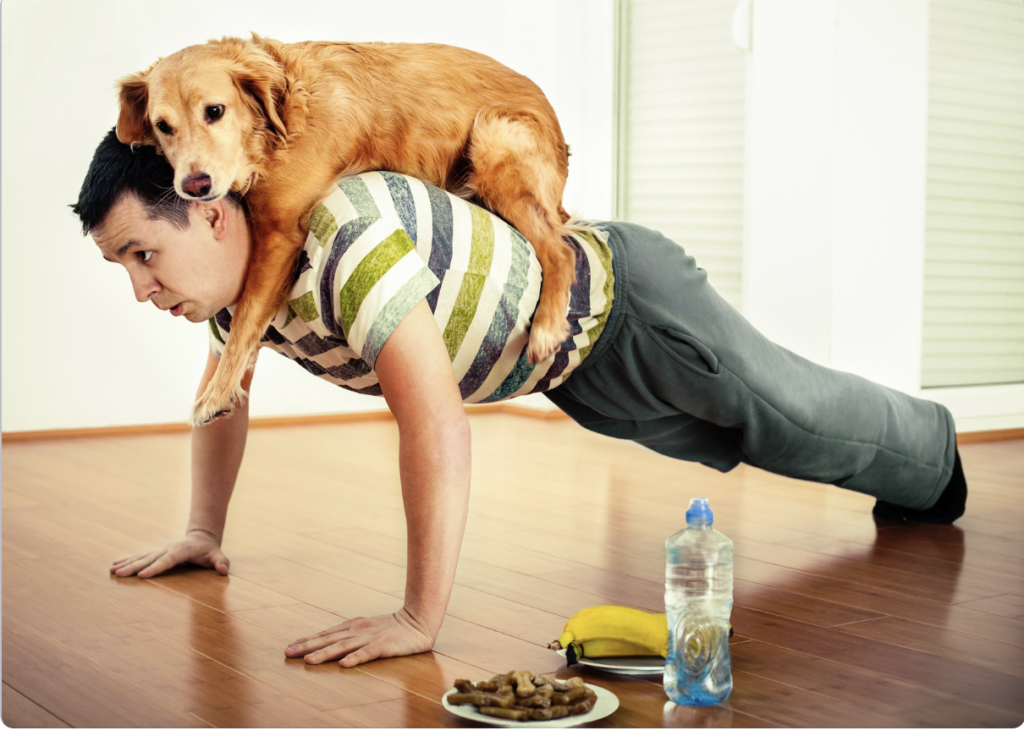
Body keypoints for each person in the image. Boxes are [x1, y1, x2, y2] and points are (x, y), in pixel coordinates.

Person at [72, 128, 967, 668]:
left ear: (214, 206)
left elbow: (431, 417)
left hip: (629, 308)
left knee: (792, 419)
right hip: (569, 370)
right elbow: (221, 401)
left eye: (144, 254)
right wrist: (203, 531)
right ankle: (910, 471)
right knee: (740, 443)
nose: (141, 289)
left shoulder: (339, 235)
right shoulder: (243, 299)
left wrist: (420, 617)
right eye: (122, 268)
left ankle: (935, 458)